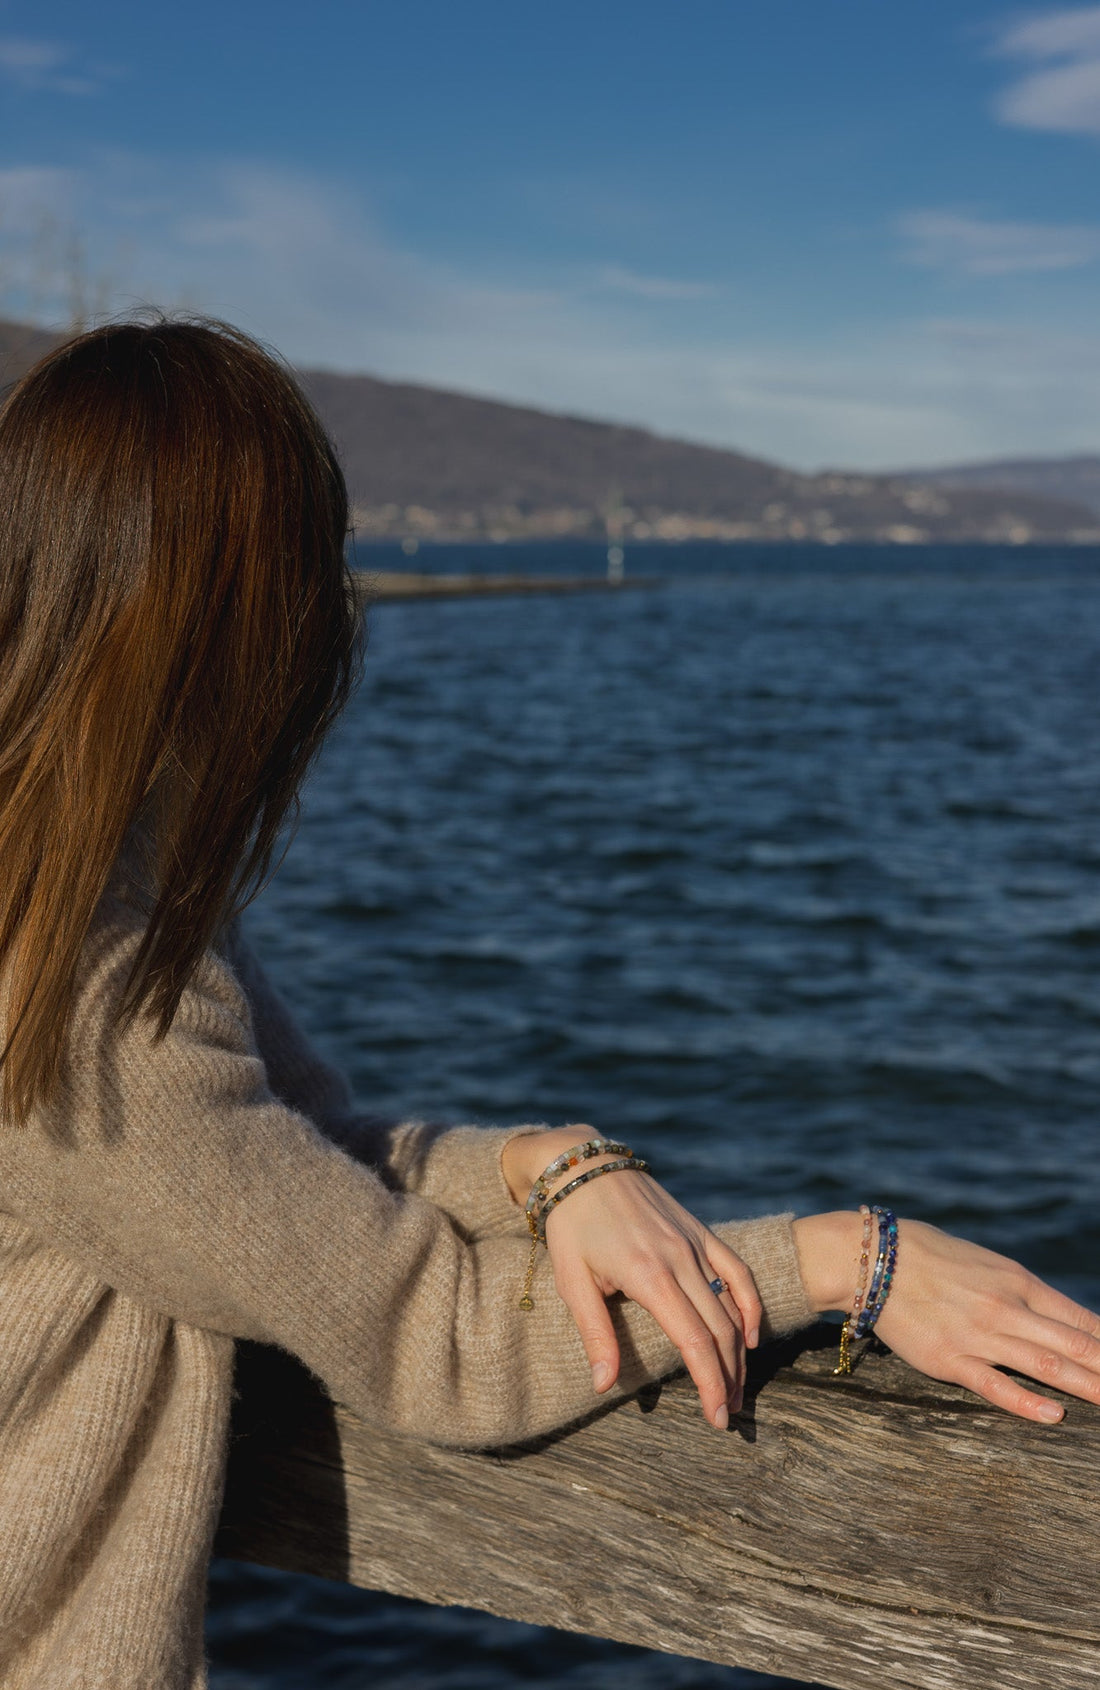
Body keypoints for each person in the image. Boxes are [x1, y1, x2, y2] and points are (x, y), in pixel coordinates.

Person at [0, 317, 1096, 1690]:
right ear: (231, 608)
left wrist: (551, 1164)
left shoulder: (78, 891)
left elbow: (291, 1163)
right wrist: (847, 1260)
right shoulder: (87, 993)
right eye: (308, 566)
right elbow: (437, 1340)